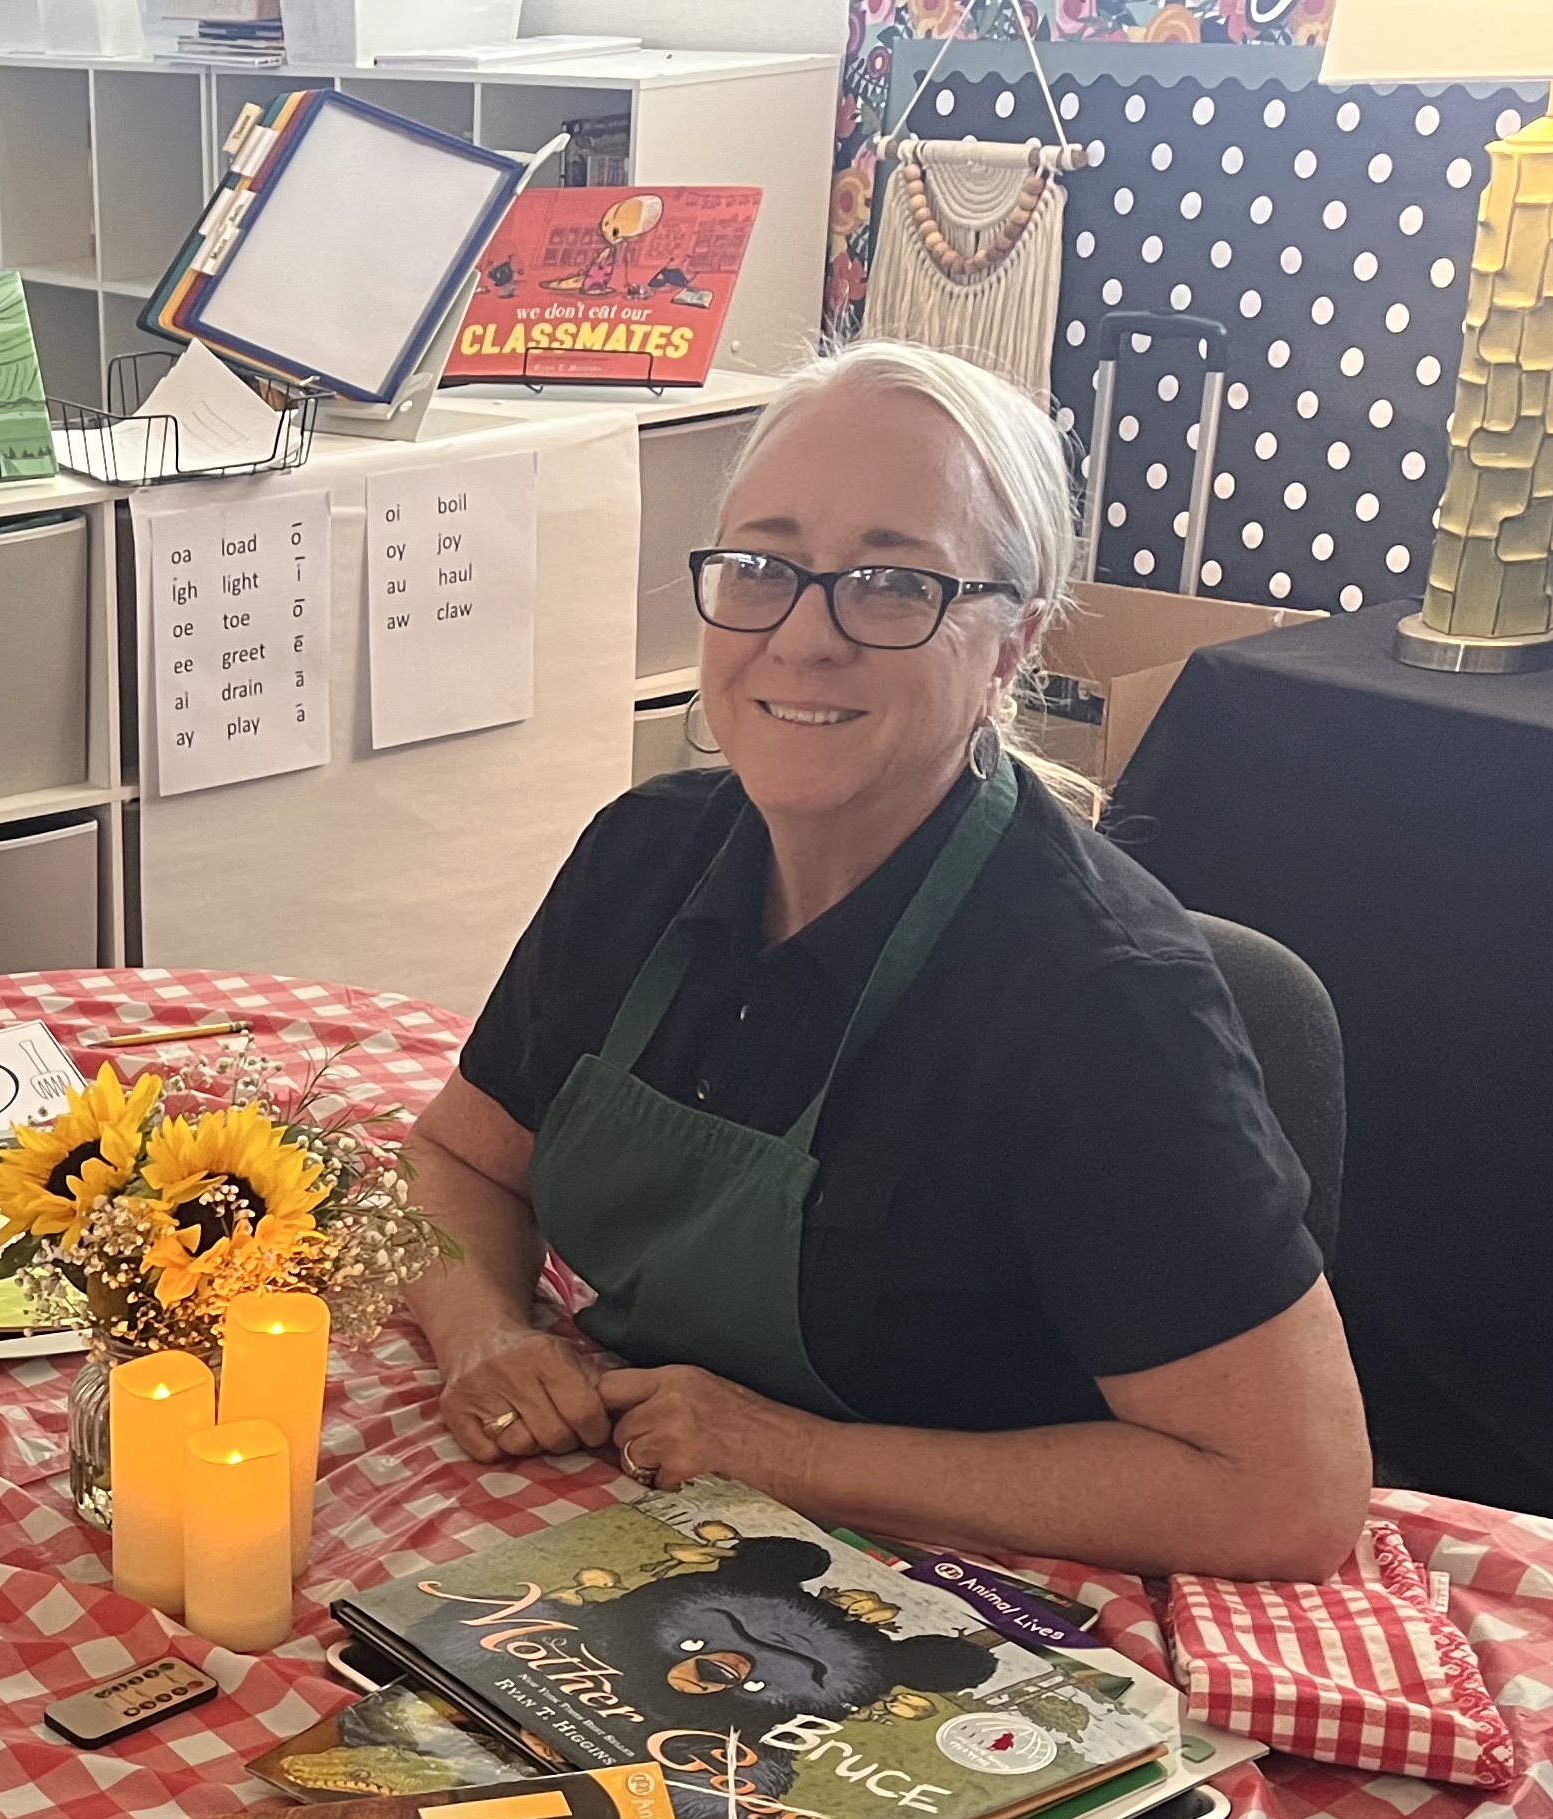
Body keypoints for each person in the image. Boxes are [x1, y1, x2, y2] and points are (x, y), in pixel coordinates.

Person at [401, 340, 1370, 1584]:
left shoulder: (1101, 1005)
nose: (803, 638)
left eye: (893, 585)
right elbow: (455, 1157)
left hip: (976, 1608)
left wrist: (787, 1454)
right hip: (635, 1535)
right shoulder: (641, 858)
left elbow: (1290, 1495)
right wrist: (482, 1330)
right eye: (763, 568)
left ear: (1012, 647)